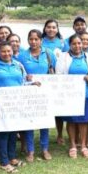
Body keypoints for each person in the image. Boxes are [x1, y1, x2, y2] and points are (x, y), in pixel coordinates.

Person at [0, 41, 39, 173]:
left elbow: (23, 82)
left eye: (9, 51)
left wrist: (33, 84)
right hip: (0, 105)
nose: (6, 54)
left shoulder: (18, 65)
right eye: (3, 51)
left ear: (12, 51)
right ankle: (4, 161)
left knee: (13, 132)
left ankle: (12, 157)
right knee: (3, 133)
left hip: (16, 105)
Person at [56, 34, 88, 158]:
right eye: (74, 43)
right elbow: (59, 74)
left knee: (84, 120)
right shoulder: (63, 57)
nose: (77, 46)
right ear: (69, 45)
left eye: (79, 43)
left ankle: (83, 145)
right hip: (70, 95)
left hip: (85, 94)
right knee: (71, 120)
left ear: (83, 44)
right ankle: (72, 145)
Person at [18, 29, 56, 161]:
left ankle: (45, 149)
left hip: (45, 93)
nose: (33, 42)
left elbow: (54, 72)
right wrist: (26, 77)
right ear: (28, 40)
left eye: (36, 39)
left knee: (44, 122)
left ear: (41, 40)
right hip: (29, 93)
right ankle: (30, 151)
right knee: (30, 122)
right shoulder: (22, 56)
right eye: (31, 39)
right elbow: (19, 74)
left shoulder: (49, 54)